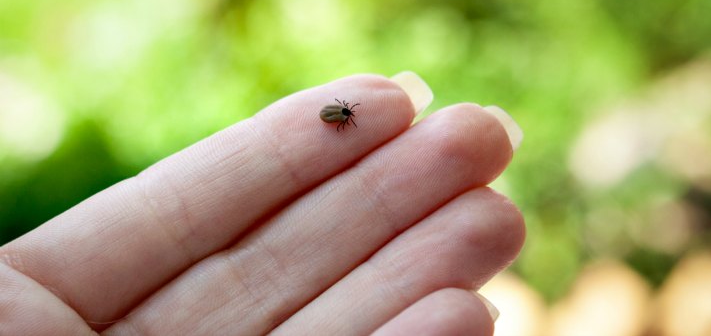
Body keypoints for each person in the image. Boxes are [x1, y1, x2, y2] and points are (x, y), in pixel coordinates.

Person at [0, 72, 525, 336]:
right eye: (347, 113)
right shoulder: (341, 116)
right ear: (344, 114)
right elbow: (339, 115)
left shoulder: (339, 116)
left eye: (345, 114)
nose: (344, 114)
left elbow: (339, 115)